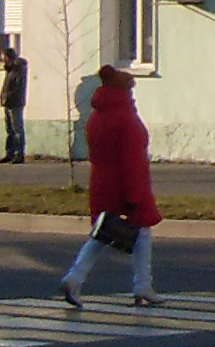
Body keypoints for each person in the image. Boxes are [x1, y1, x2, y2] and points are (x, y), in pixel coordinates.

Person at [57, 64, 163, 308]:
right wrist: (134, 194)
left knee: (103, 234)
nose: (133, 96)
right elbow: (132, 161)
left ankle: (76, 277)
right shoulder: (126, 119)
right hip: (125, 184)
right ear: (124, 92)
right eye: (131, 91)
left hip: (102, 182)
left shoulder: (97, 116)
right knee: (140, 231)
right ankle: (141, 284)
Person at [0, 40, 29, 163]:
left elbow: (16, 87)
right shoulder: (10, 70)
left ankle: (19, 154)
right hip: (8, 102)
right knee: (9, 129)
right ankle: (9, 153)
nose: (2, 60)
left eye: (4, 57)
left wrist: (8, 97)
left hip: (15, 103)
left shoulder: (18, 69)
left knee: (17, 129)